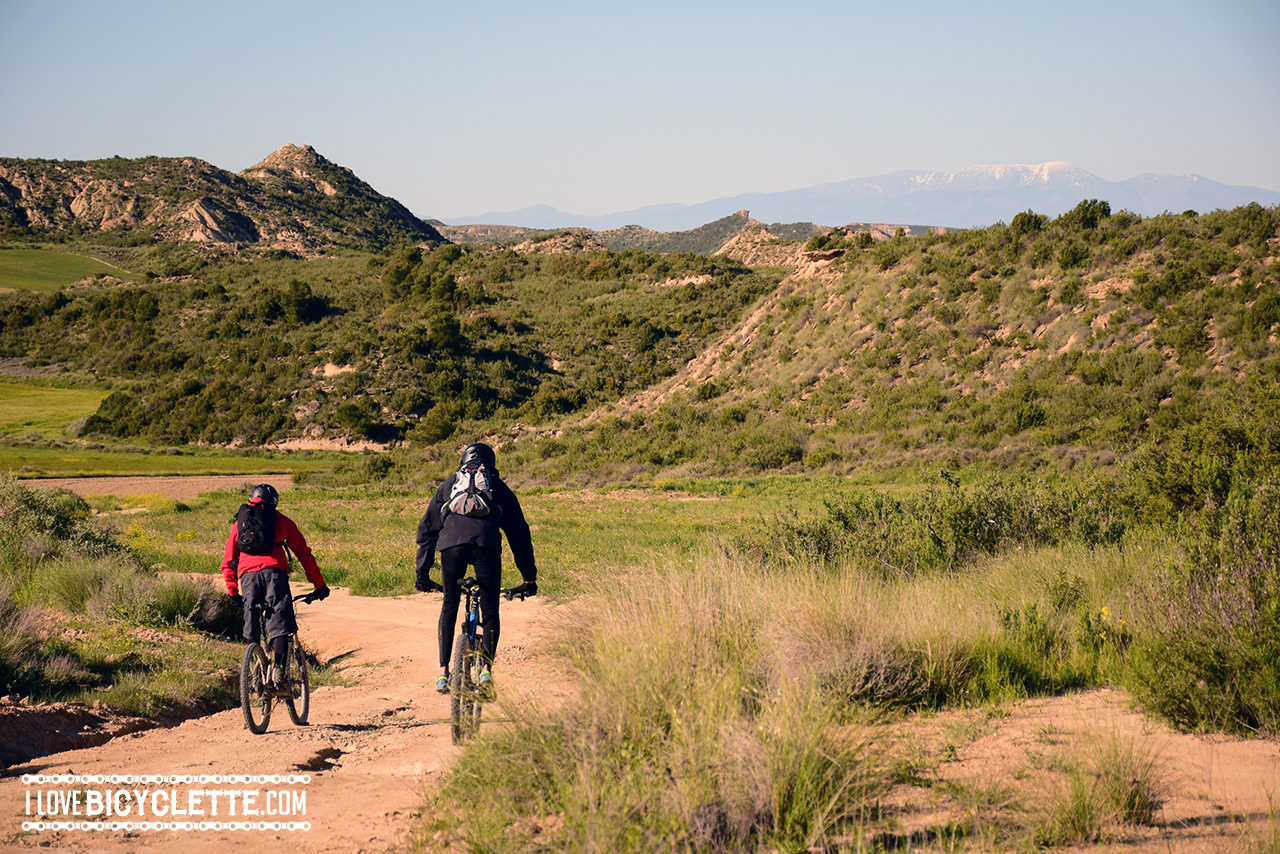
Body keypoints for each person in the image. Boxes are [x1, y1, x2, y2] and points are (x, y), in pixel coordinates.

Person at [415, 442, 537, 694]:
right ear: (491, 464)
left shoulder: (449, 484)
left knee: (450, 603)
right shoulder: (498, 487)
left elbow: (427, 530)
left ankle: (442, 673)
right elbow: (519, 535)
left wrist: (422, 574)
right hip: (486, 547)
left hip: (451, 548)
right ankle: (485, 673)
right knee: (490, 609)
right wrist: (529, 578)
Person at [222, 483, 329, 693]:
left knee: (251, 622)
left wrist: (232, 590)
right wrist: (319, 585)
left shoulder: (240, 523)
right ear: (274, 501)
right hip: (274, 574)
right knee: (280, 622)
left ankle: (254, 670)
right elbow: (304, 554)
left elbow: (228, 559)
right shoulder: (282, 521)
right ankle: (279, 673)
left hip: (247, 577)